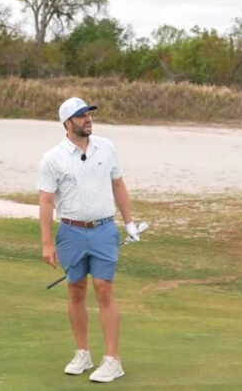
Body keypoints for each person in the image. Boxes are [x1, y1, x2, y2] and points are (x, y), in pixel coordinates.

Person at [38, 97, 141, 383]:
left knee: (104, 288)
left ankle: (112, 359)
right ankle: (82, 353)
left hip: (103, 229)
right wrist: (46, 242)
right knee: (76, 290)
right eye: (81, 116)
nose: (88, 119)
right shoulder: (52, 158)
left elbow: (118, 184)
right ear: (67, 123)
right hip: (70, 232)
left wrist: (129, 223)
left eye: (89, 114)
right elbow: (46, 201)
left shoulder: (106, 147)